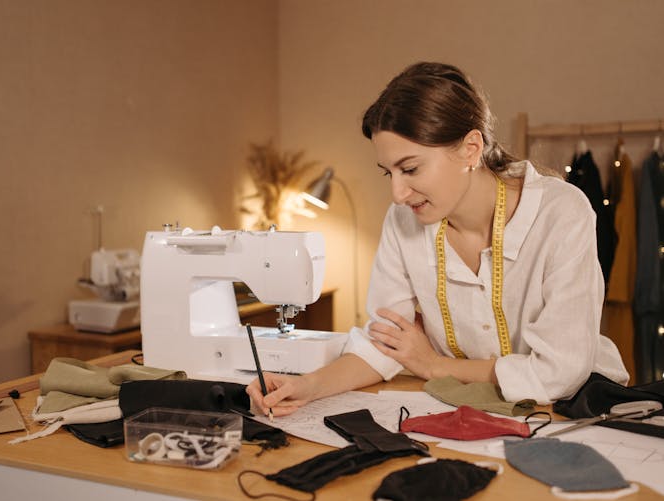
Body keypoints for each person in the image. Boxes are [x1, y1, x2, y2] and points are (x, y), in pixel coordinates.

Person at [247, 61, 629, 416]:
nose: (397, 193)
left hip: (574, 411)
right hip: (464, 410)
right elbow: (385, 344)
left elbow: (561, 372)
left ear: (470, 149)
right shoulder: (403, 220)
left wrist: (434, 364)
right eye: (388, 173)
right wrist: (307, 387)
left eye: (410, 169)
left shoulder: (561, 212)